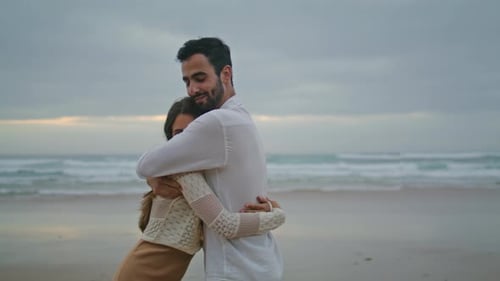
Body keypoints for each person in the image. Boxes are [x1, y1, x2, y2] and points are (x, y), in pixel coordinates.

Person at [137, 37, 284, 280]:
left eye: (200, 78)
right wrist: (273, 212)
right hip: (263, 263)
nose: (192, 89)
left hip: (236, 270)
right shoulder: (243, 119)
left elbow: (146, 164)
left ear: (226, 74)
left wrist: (156, 175)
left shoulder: (217, 122)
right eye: (187, 81)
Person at [113, 97, 285, 281]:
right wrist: (278, 217)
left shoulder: (207, 176)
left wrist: (267, 206)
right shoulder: (185, 174)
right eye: (179, 133)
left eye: (192, 133)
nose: (187, 140)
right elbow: (226, 225)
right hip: (142, 273)